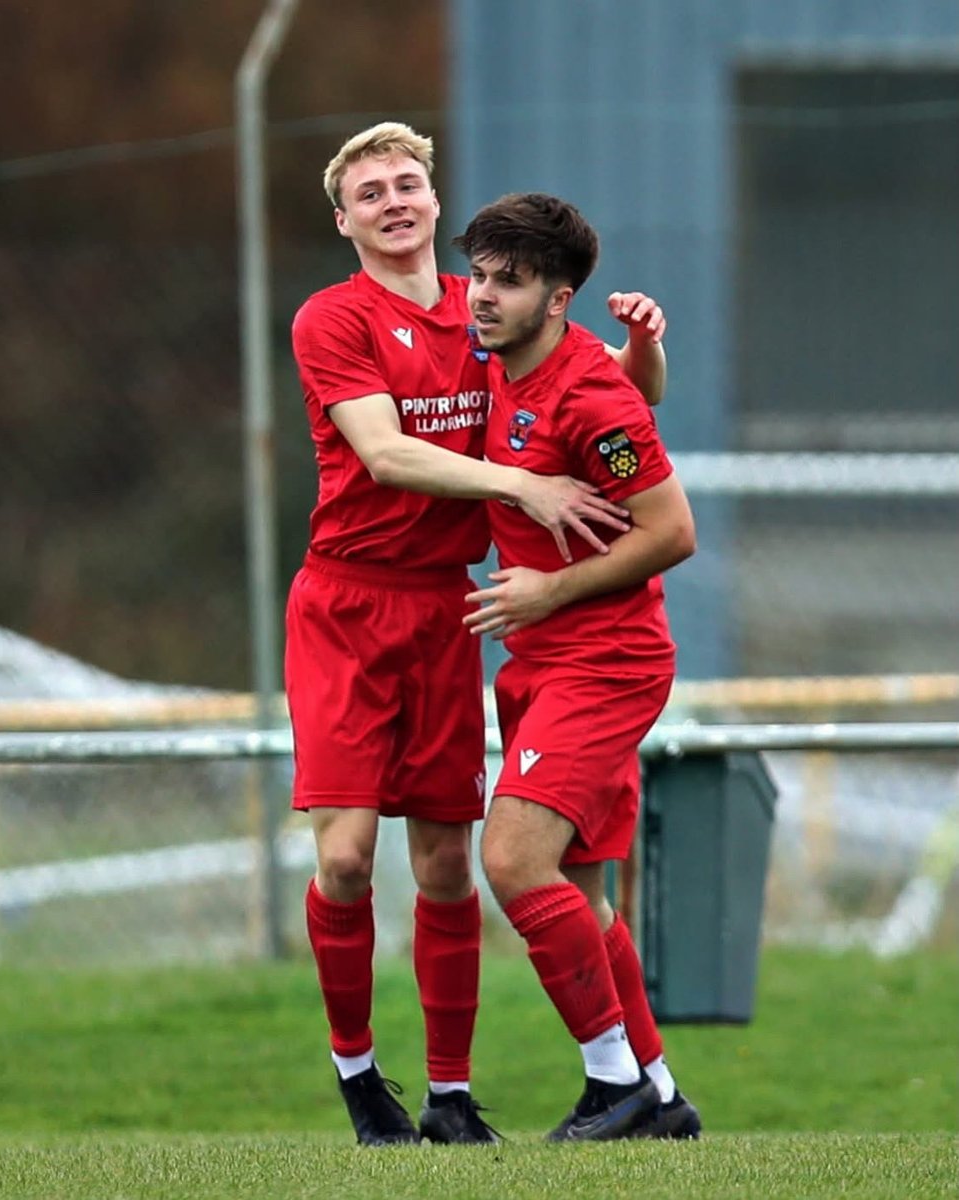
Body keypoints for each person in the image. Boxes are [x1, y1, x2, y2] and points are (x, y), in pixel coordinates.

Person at [287, 121, 669, 1147]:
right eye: (370, 192)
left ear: (432, 199)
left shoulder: (490, 307)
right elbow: (384, 456)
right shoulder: (332, 317)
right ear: (345, 220)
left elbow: (613, 409)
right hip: (348, 603)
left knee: (455, 868)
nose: (394, 201)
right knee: (349, 859)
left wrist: (643, 348)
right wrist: (522, 485)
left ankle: (454, 1098)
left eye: (408, 182)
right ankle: (361, 1076)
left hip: (453, 610)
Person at [453, 192, 701, 1140]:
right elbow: (639, 383)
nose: (482, 296)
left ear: (558, 300)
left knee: (513, 861)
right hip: (544, 661)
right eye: (478, 275)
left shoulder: (585, 392)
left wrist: (549, 591)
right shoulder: (530, 361)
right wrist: (643, 354)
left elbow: (673, 531)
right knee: (584, 891)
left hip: (603, 662)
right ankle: (661, 1100)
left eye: (507, 284)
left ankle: (614, 1084)